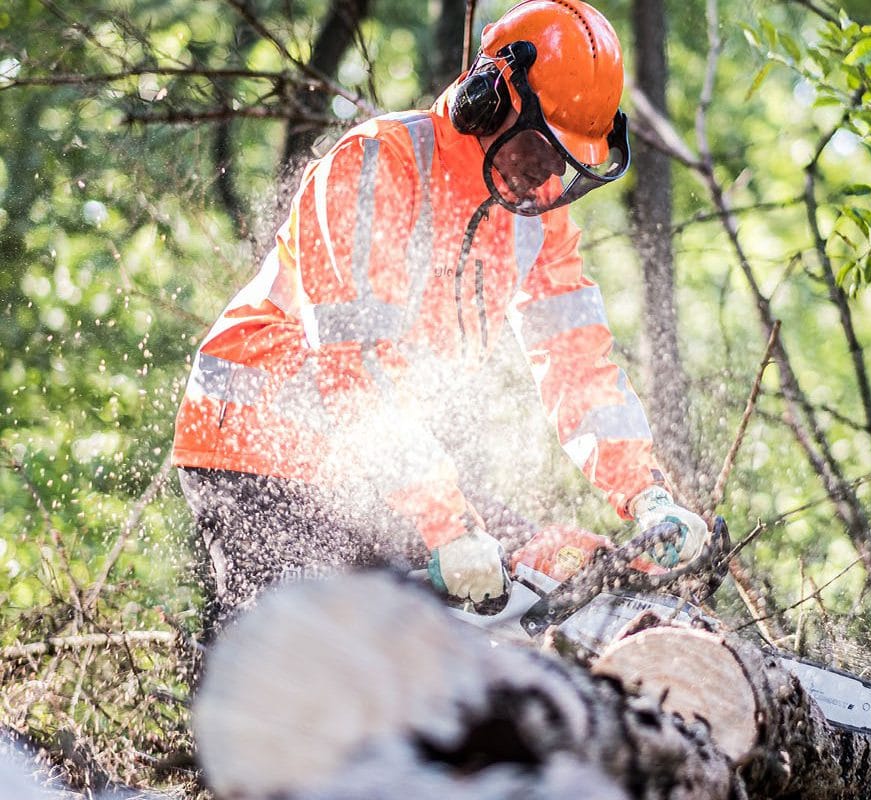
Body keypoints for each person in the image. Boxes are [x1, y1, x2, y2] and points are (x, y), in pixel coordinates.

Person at [171, 0, 709, 631]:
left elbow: (577, 362)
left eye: (565, 164)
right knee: (307, 659)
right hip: (257, 449)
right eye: (539, 149)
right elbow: (357, 370)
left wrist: (644, 492)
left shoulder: (536, 215)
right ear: (487, 96)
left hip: (378, 458)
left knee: (527, 584)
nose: (546, 177)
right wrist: (447, 525)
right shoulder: (375, 167)